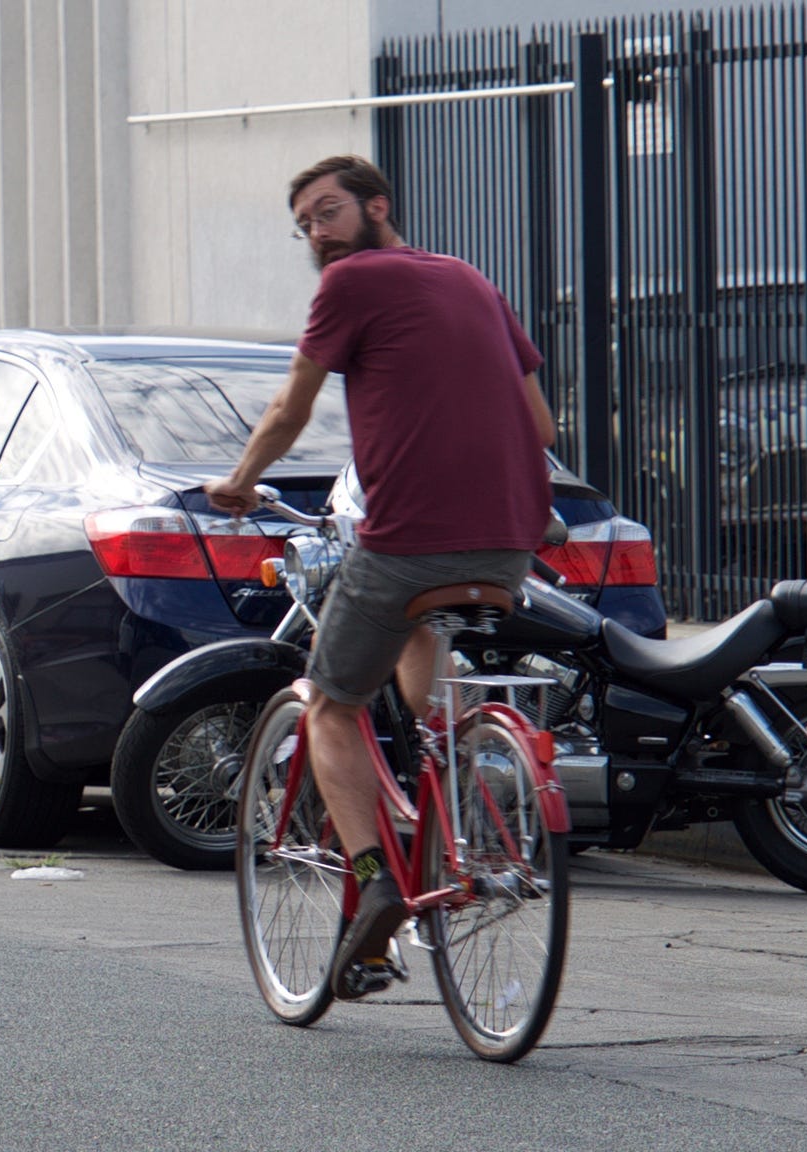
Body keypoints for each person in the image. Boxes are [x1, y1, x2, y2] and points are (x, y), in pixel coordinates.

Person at [205, 155, 556, 999]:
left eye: (328, 213)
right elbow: (540, 421)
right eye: (306, 226)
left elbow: (292, 405)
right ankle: (440, 782)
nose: (318, 235)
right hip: (509, 544)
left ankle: (374, 880)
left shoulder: (352, 283)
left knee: (329, 702)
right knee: (412, 640)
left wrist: (242, 478)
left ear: (377, 207)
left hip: (408, 543)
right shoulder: (471, 278)